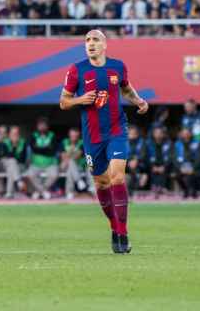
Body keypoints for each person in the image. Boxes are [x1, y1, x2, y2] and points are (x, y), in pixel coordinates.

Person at [59, 29, 149, 253]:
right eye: (87, 40)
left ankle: (123, 233)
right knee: (101, 183)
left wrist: (138, 101)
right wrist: (80, 99)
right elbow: (63, 102)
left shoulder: (117, 67)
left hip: (117, 130)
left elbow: (126, 89)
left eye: (95, 40)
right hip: (92, 136)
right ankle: (114, 227)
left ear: (104, 45)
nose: (90, 43)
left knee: (117, 177)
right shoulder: (76, 70)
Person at [27, 117, 59, 200]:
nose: (42, 127)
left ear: (47, 126)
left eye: (43, 125)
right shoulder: (33, 135)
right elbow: (33, 149)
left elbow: (52, 150)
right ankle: (44, 191)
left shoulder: (52, 135)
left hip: (50, 163)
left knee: (54, 175)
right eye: (40, 125)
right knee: (30, 174)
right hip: (36, 163)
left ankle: (39, 191)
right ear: (37, 126)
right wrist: (46, 149)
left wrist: (39, 149)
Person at [60, 127, 93, 199]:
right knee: (69, 163)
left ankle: (69, 192)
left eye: (75, 136)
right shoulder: (64, 142)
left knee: (70, 169)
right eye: (72, 135)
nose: (74, 137)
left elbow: (77, 156)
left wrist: (69, 152)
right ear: (69, 135)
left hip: (80, 165)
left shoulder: (82, 142)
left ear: (78, 135)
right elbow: (63, 156)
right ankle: (78, 181)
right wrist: (71, 151)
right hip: (65, 165)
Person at [0, 125, 27, 198]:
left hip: (20, 166)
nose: (15, 135)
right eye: (13, 134)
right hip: (6, 165)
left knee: (12, 167)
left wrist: (15, 146)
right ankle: (18, 182)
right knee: (12, 163)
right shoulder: (5, 142)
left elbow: (23, 158)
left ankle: (9, 193)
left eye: (16, 133)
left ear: (19, 134)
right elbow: (5, 156)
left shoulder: (23, 142)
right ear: (9, 135)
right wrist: (14, 146)